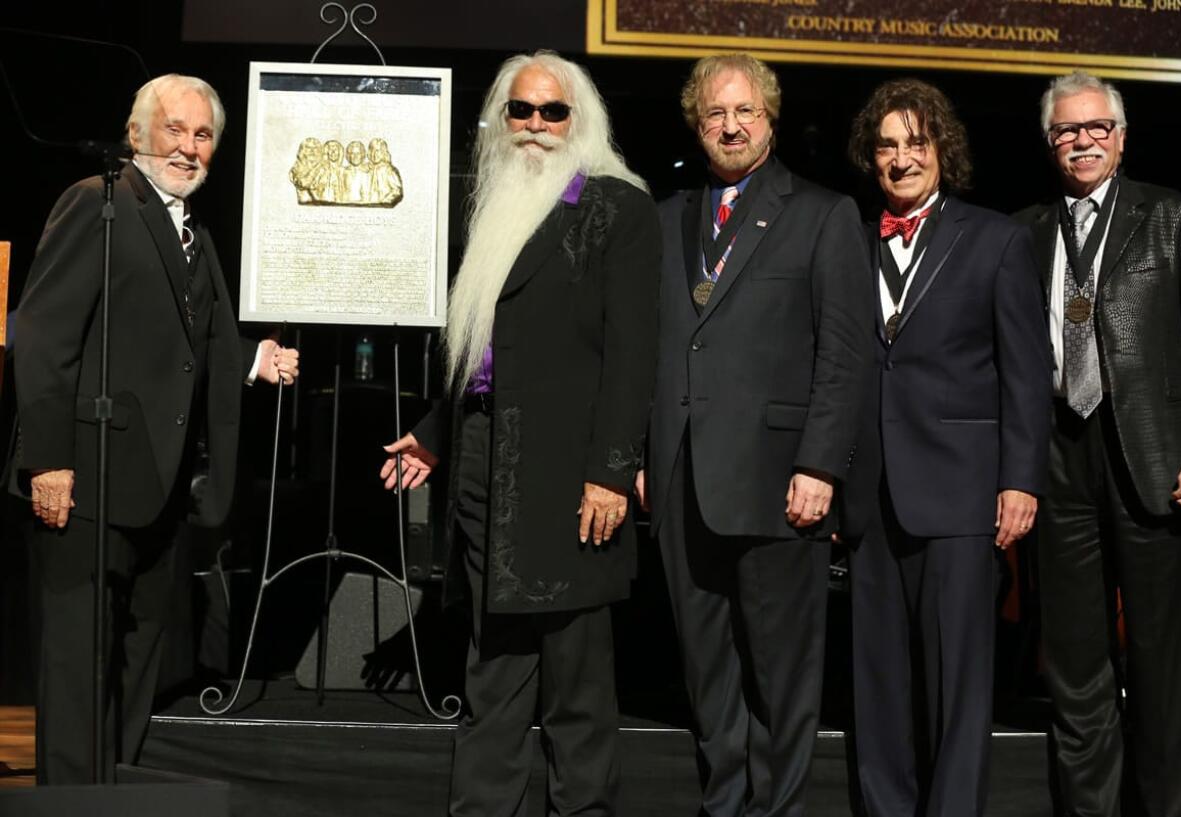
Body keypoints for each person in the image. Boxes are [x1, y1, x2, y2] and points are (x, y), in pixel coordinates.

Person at [379, 51, 659, 816]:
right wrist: (436, 432)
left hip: (570, 481)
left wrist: (610, 470)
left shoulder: (618, 209)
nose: (536, 127)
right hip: (484, 465)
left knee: (575, 682)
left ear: (581, 120)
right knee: (492, 672)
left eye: (553, 112)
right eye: (521, 111)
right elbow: (484, 351)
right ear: (502, 120)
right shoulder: (493, 202)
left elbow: (633, 358)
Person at [6, 73, 299, 784]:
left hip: (156, 489)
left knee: (141, 659)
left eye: (203, 135)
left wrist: (253, 361)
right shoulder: (98, 202)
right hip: (85, 475)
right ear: (137, 134)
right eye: (174, 129)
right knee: (79, 662)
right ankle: (73, 802)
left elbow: (190, 343)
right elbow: (43, 335)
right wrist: (48, 459)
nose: (189, 147)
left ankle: (118, 789)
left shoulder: (192, 230)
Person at [638, 53, 873, 817]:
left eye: (745, 112)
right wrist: (642, 456)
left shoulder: (821, 213)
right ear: (696, 124)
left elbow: (844, 353)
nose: (730, 125)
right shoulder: (666, 216)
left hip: (781, 485)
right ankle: (726, 804)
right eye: (714, 113)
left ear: (770, 119)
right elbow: (652, 347)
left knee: (781, 678)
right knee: (708, 676)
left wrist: (821, 466)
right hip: (681, 484)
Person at [1016, 71, 1181, 817]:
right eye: (1067, 130)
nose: (1082, 140)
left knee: (1159, 667)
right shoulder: (1027, 230)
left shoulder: (1173, 216)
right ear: (1051, 144)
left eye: (1096, 127)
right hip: (1057, 457)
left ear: (1122, 137)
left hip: (1154, 462)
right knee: (1074, 670)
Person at [841, 78, 1050, 816]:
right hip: (870, 496)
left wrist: (1020, 480)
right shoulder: (847, 240)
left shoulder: (995, 239)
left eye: (916, 143)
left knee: (960, 684)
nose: (902, 159)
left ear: (942, 151)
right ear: (872, 158)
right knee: (878, 682)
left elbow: (1027, 374)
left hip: (963, 496)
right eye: (887, 145)